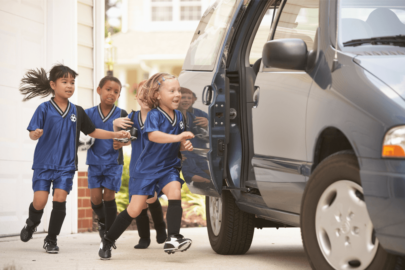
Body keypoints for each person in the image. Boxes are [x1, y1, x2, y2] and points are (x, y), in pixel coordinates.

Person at [19, 65, 130, 254]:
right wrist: (35, 134)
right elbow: (32, 132)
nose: (69, 86)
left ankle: (51, 239)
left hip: (66, 165)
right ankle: (32, 223)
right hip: (44, 164)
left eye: (72, 82)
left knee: (60, 200)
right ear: (53, 85)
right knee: (40, 201)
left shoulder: (77, 111)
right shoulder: (44, 108)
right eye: (65, 82)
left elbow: (93, 131)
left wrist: (114, 134)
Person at [98, 73, 194, 259]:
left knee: (175, 191)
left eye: (178, 90)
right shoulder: (154, 115)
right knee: (135, 209)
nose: (177, 94)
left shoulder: (180, 117)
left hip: (168, 167)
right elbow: (153, 136)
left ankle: (173, 237)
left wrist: (184, 144)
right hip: (146, 170)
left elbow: (178, 142)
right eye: (171, 90)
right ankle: (108, 241)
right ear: (157, 95)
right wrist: (177, 138)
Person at [113, 80, 167, 249]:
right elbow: (124, 141)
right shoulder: (131, 118)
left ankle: (160, 226)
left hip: (156, 166)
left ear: (156, 97)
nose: (144, 97)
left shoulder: (160, 116)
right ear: (136, 96)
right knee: (140, 203)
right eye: (141, 93)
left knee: (151, 197)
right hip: (138, 166)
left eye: (149, 93)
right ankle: (144, 237)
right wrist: (115, 126)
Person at [84, 76, 128, 239]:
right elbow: (82, 135)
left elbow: (128, 138)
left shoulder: (122, 114)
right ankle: (102, 220)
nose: (111, 93)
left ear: (119, 95)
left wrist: (122, 143)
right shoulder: (88, 114)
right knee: (96, 199)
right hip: (94, 162)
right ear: (99, 90)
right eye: (108, 89)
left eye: (116, 91)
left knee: (109, 196)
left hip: (113, 163)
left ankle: (109, 233)